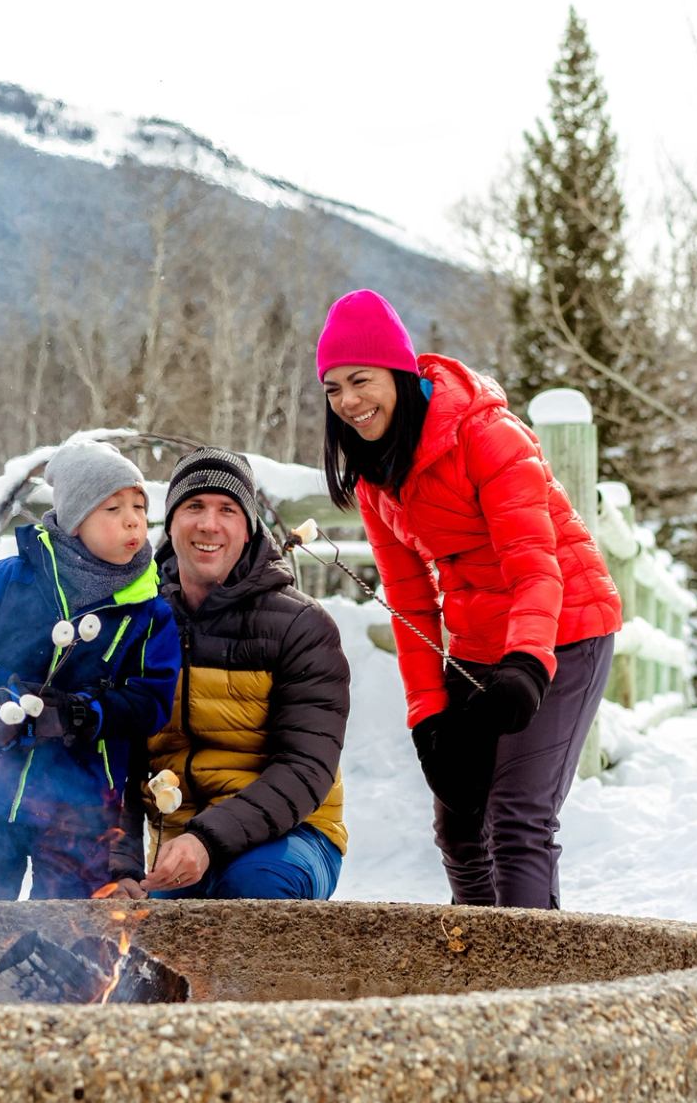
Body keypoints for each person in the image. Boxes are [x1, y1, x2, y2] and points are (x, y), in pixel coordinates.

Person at [318, 288, 620, 909]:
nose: (348, 401)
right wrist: (428, 714)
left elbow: (535, 564)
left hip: (565, 628)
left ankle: (532, 988)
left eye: (360, 380)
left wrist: (528, 663)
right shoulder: (379, 476)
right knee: (459, 824)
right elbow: (408, 599)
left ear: (397, 372)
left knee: (517, 820)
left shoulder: (486, 436)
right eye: (332, 388)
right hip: (479, 642)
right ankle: (478, 969)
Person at [0, 440, 181, 901]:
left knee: (68, 934)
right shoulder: (7, 581)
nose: (132, 520)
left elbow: (152, 700)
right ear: (75, 518)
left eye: (140, 507)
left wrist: (87, 714)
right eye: (113, 507)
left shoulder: (148, 612)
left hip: (81, 805)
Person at [107, 448, 351, 901]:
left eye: (228, 510)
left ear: (249, 528)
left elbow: (305, 768)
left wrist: (206, 839)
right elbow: (118, 763)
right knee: (130, 941)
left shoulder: (301, 627)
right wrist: (120, 867)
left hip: (291, 835)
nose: (209, 524)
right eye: (194, 507)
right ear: (171, 522)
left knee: (251, 888)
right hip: (177, 851)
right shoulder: (135, 625)